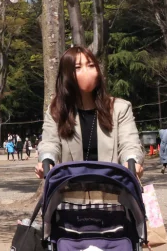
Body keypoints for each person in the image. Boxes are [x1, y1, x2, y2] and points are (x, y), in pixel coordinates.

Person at [35, 46, 143, 179]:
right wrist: (46, 160)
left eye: (91, 65)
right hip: (72, 188)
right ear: (66, 75)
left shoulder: (120, 108)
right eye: (78, 67)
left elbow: (130, 144)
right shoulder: (57, 111)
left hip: (113, 187)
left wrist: (132, 161)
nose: (86, 71)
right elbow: (50, 144)